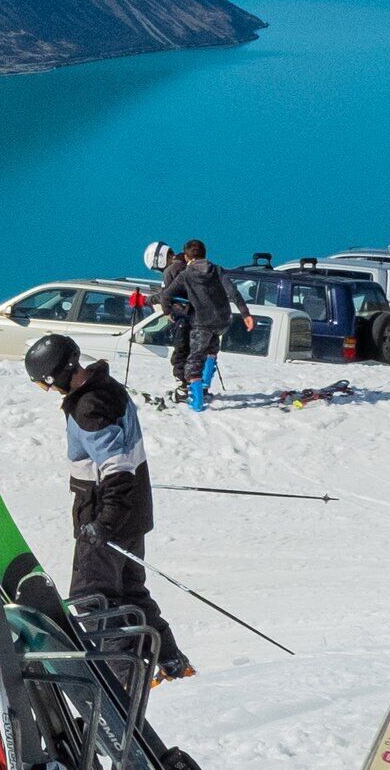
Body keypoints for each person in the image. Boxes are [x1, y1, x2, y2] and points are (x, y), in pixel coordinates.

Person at [25, 334, 192, 680]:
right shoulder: (109, 387)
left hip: (107, 520)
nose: (47, 391)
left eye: (44, 384)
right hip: (133, 515)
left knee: (92, 601)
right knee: (130, 593)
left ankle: (123, 680)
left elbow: (116, 468)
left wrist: (104, 523)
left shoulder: (88, 407)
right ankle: (169, 661)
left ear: (56, 376)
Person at [156, 239, 237, 411]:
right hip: (215, 317)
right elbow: (230, 292)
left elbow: (167, 295)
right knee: (209, 351)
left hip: (190, 318)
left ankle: (192, 395)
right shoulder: (211, 270)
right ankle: (204, 385)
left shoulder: (177, 272)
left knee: (185, 356)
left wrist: (167, 311)